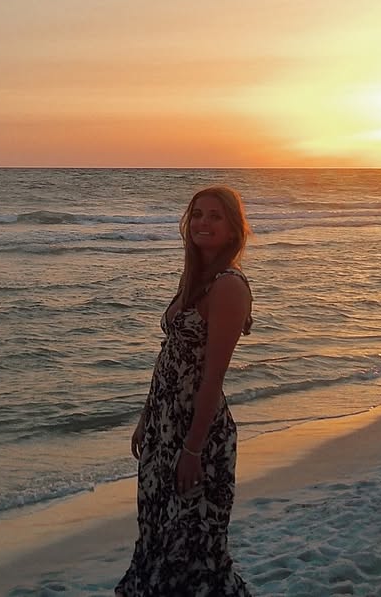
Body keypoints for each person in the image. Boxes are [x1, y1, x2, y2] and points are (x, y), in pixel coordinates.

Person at [116, 186, 254, 597]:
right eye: (197, 214)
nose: (202, 223)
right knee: (156, 537)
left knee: (194, 552)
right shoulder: (195, 279)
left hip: (199, 434)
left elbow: (212, 377)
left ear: (233, 229)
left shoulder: (228, 286)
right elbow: (170, 356)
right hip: (163, 428)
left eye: (215, 216)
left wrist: (192, 450)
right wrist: (147, 417)